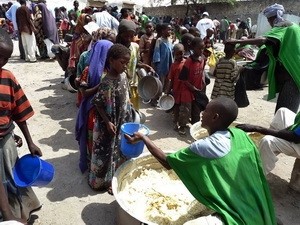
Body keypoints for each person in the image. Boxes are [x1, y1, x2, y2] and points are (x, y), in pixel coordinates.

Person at [125, 97, 277, 225]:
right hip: (257, 202)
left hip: (238, 215)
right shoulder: (240, 136)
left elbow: (167, 162)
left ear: (215, 117)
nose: (202, 113)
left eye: (206, 111)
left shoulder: (205, 146)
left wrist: (144, 137)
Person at [0, 28, 42, 221]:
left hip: (7, 143)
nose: (2, 63)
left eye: (6, 59)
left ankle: (21, 212)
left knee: (13, 179)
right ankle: (7, 215)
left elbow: (19, 113)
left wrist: (30, 142)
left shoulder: (8, 77)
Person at [227, 3, 300, 113]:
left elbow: (262, 40)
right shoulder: (294, 27)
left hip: (292, 76)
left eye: (269, 20)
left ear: (273, 18)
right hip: (292, 72)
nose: (269, 23)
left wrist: (236, 41)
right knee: (283, 110)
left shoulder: (284, 26)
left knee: (284, 113)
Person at [90, 44, 131, 193]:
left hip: (122, 121)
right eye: (122, 62)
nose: (125, 66)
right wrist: (107, 122)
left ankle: (114, 178)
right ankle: (100, 181)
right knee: (105, 152)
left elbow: (126, 96)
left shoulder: (123, 76)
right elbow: (98, 104)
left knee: (119, 150)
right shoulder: (107, 82)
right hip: (108, 123)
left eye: (127, 63)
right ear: (112, 60)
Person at [75, 30, 114, 173]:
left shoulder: (112, 70)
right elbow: (83, 93)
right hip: (93, 113)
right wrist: (100, 86)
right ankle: (94, 168)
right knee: (94, 141)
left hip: (109, 112)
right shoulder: (88, 70)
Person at [236, 107, 300, 192]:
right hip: (297, 136)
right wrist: (277, 133)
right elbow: (296, 125)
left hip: (297, 139)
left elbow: (295, 137)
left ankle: (256, 179)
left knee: (268, 142)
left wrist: (258, 129)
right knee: (282, 112)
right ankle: (260, 156)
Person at [179, 37, 208, 129]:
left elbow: (202, 72)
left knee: (197, 110)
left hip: (198, 90)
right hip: (188, 90)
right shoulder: (189, 61)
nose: (201, 50)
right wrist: (192, 88)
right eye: (199, 48)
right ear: (193, 48)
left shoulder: (202, 58)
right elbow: (183, 79)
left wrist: (202, 85)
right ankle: (182, 127)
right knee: (186, 110)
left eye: (203, 48)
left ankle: (195, 128)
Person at [165, 43, 186, 132]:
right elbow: (171, 79)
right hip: (177, 90)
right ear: (174, 54)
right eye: (177, 54)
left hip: (185, 90)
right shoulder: (174, 65)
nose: (179, 56)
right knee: (176, 107)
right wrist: (168, 91)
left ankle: (183, 123)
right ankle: (176, 122)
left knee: (184, 107)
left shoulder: (187, 62)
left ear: (184, 52)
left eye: (181, 53)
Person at [152, 23, 173, 91]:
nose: (170, 31)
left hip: (169, 64)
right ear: (163, 31)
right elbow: (157, 52)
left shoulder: (170, 40)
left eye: (171, 30)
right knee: (161, 81)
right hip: (161, 65)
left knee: (167, 81)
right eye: (168, 30)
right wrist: (156, 64)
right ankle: (158, 95)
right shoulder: (159, 40)